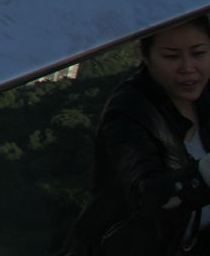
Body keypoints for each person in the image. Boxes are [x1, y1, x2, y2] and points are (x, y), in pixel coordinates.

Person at [69, 17, 210, 255]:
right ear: (146, 57)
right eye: (171, 56)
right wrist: (205, 173)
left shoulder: (206, 91)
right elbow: (148, 197)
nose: (188, 67)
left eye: (199, 53)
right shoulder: (127, 113)